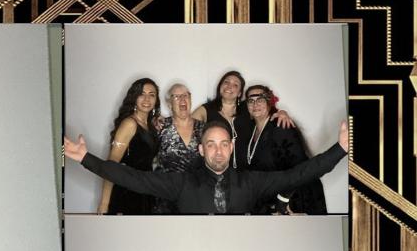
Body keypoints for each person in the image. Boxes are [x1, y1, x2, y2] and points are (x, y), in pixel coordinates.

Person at [63, 119, 348, 214]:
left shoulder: (252, 182)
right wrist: (87, 158)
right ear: (201, 150)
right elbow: (133, 178)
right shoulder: (181, 183)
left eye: (224, 144)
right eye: (211, 144)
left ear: (232, 148)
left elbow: (298, 175)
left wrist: (341, 149)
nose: (218, 151)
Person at [235, 84, 327, 214]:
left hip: (297, 198)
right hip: (274, 199)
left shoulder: (281, 126)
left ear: (269, 103)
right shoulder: (251, 130)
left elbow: (300, 170)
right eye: (251, 101)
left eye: (260, 100)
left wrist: (285, 200)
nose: (255, 104)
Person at [99, 78, 160, 215]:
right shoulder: (130, 124)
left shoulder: (150, 126)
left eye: (152, 95)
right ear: (134, 97)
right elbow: (111, 165)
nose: (147, 99)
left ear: (156, 100)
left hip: (145, 191)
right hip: (127, 192)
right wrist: (104, 204)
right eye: (142, 94)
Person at [153, 83, 204, 213]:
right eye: (176, 97)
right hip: (165, 199)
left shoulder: (204, 128)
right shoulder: (160, 127)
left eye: (185, 96)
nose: (182, 99)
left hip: (196, 198)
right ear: (169, 104)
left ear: (190, 100)